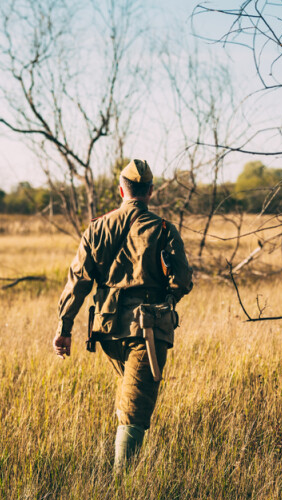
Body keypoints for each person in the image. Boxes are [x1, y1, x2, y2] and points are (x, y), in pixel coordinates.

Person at [52, 158, 193, 471]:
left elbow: (78, 282)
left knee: (130, 397)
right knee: (135, 410)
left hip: (107, 330)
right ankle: (122, 491)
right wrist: (168, 299)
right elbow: (182, 280)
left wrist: (64, 327)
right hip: (147, 331)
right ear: (151, 191)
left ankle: (125, 473)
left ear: (121, 190)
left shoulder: (97, 228)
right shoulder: (163, 229)